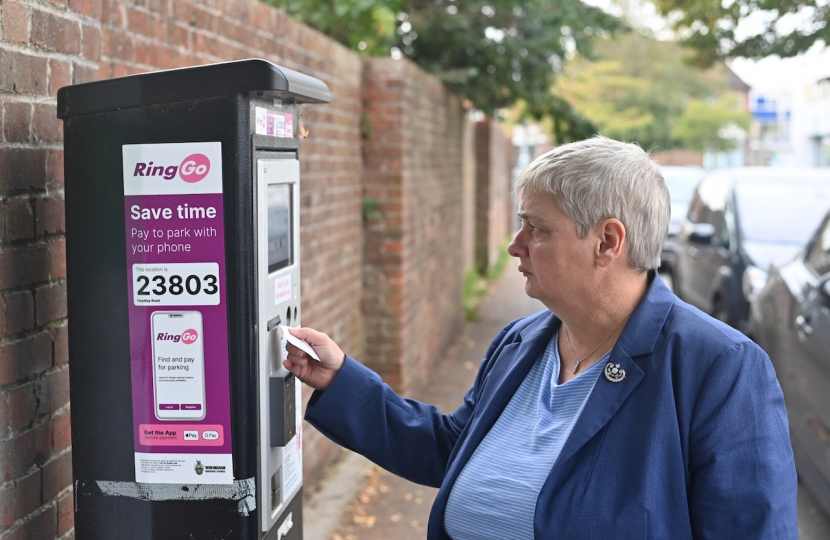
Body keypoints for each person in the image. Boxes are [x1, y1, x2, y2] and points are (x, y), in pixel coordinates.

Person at [284, 136, 798, 539]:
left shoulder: (719, 368)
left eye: (536, 229)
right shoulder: (521, 342)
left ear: (607, 241)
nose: (515, 246)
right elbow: (455, 449)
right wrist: (341, 379)